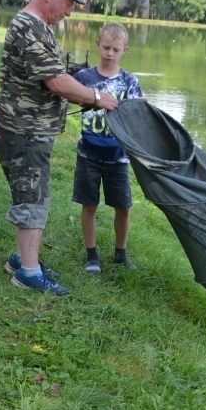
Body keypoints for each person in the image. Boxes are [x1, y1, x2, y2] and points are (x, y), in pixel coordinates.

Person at [0, 0, 119, 295]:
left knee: (30, 192)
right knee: (33, 197)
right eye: (68, 3)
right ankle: (28, 274)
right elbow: (57, 82)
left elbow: (54, 76)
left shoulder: (38, 25)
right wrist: (96, 97)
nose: (69, 11)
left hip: (26, 127)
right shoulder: (29, 27)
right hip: (24, 129)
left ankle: (21, 258)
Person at [72, 22, 142, 274]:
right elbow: (70, 98)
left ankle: (120, 254)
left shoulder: (130, 82)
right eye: (106, 47)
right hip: (88, 154)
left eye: (115, 49)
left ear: (125, 50)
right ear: (97, 45)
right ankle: (92, 255)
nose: (109, 53)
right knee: (88, 205)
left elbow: (136, 119)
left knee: (123, 207)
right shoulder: (83, 78)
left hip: (118, 157)